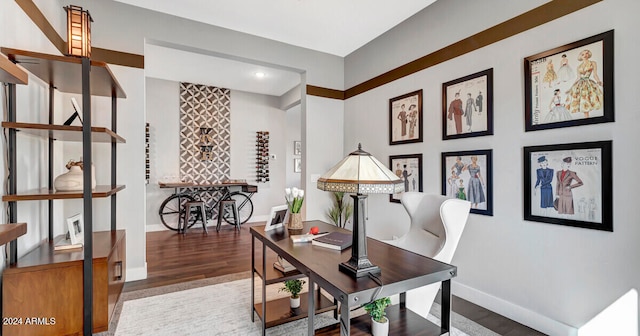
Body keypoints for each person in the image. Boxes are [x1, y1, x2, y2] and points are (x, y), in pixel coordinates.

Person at [565, 49, 604, 118]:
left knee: (588, 101)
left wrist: (599, 82)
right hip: (579, 85)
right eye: (583, 54)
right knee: (582, 103)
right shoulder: (578, 67)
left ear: (589, 55)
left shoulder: (593, 63)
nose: (585, 55)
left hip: (588, 84)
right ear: (580, 56)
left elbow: (595, 75)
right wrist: (570, 88)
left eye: (586, 53)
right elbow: (578, 78)